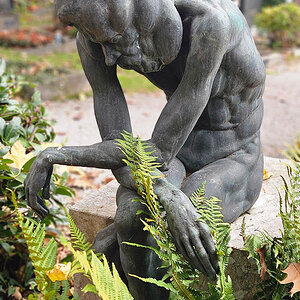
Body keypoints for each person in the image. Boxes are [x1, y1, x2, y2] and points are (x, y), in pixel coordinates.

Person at [24, 0, 265, 298]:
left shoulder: (210, 25)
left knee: (184, 214)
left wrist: (167, 197)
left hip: (235, 156)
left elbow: (158, 151)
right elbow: (120, 145)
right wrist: (52, 155)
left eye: (114, 41)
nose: (109, 58)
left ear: (145, 16)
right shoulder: (93, 40)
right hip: (178, 150)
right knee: (129, 215)